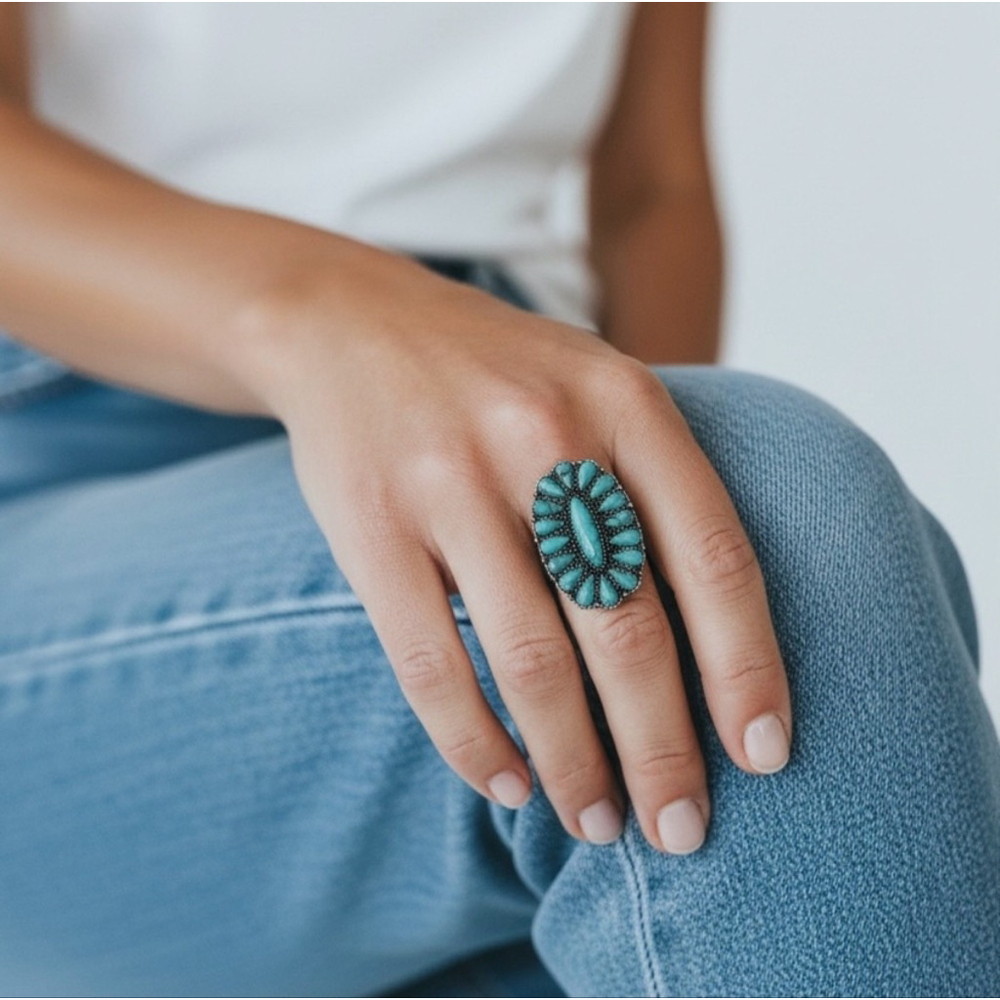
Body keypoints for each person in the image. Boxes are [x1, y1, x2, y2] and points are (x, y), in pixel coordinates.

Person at [0, 4, 997, 996]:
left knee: (743, 611)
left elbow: (654, 183)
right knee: (784, 542)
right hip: (79, 443)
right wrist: (332, 324)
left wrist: (646, 481)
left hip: (503, 367)